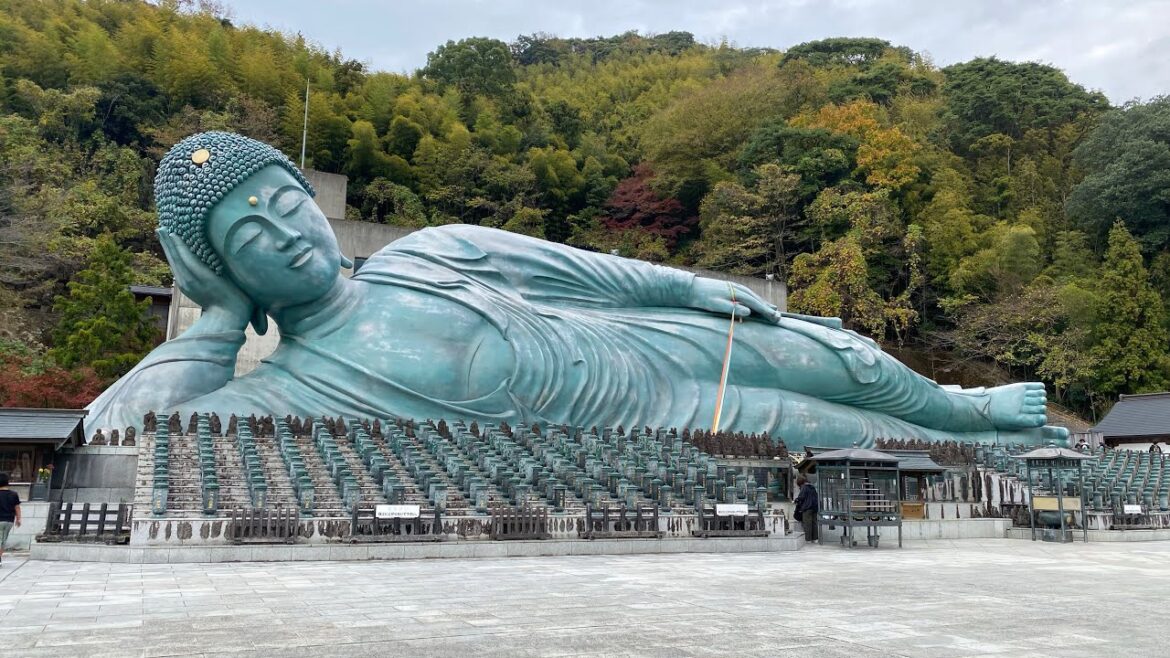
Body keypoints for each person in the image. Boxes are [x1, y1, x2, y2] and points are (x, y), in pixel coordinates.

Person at [85, 132, 1069, 452]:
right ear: (221, 264)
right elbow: (126, 435)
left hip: (648, 343)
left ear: (313, 199)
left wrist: (696, 286)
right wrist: (213, 316)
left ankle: (964, 404)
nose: (286, 235)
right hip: (657, 417)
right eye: (246, 235)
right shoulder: (292, 385)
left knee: (833, 351)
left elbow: (586, 268)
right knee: (839, 429)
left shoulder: (431, 250)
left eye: (286, 203)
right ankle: (975, 442)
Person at [0, 472, 21, 565]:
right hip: (9, 521)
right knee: (3, 539)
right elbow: (17, 507)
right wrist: (18, 519)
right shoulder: (13, 494)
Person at [794, 475, 819, 542]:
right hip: (814, 507)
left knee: (807, 524)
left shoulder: (804, 487)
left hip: (807, 508)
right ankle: (815, 539)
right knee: (814, 523)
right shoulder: (812, 487)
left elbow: (801, 497)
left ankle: (808, 539)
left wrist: (796, 501)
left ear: (800, 482)